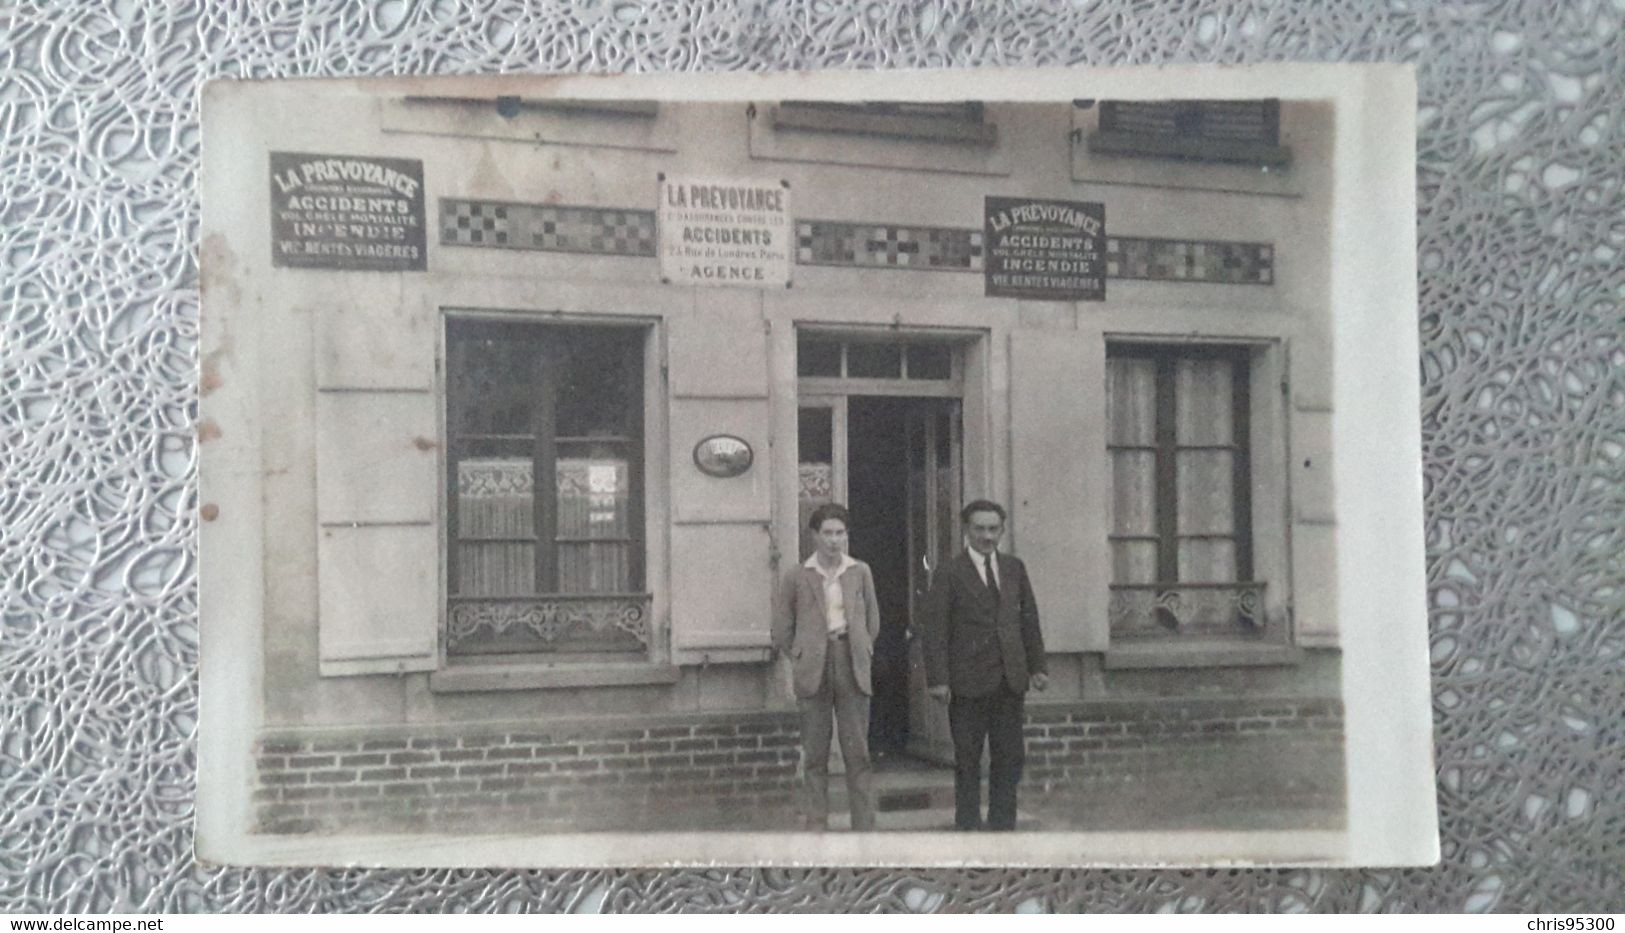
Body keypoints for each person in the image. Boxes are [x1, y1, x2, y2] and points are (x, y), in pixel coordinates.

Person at [922, 499, 1048, 831]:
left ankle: (1002, 824)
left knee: (1009, 757)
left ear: (1002, 530)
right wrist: (938, 679)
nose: (987, 536)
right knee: (968, 758)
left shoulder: (1013, 568)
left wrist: (1038, 666)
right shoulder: (949, 572)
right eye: (980, 529)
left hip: (1009, 679)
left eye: (994, 529)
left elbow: (1028, 619)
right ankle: (968, 824)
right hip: (967, 682)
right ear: (967, 530)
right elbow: (935, 629)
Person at [771, 503, 880, 831]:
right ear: (815, 536)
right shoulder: (797, 575)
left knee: (857, 752)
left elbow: (872, 618)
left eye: (840, 533)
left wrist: (861, 647)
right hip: (813, 669)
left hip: (851, 664)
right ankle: (817, 826)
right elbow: (781, 629)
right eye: (828, 533)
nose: (835, 540)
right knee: (815, 754)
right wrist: (802, 655)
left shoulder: (859, 571)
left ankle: (865, 828)